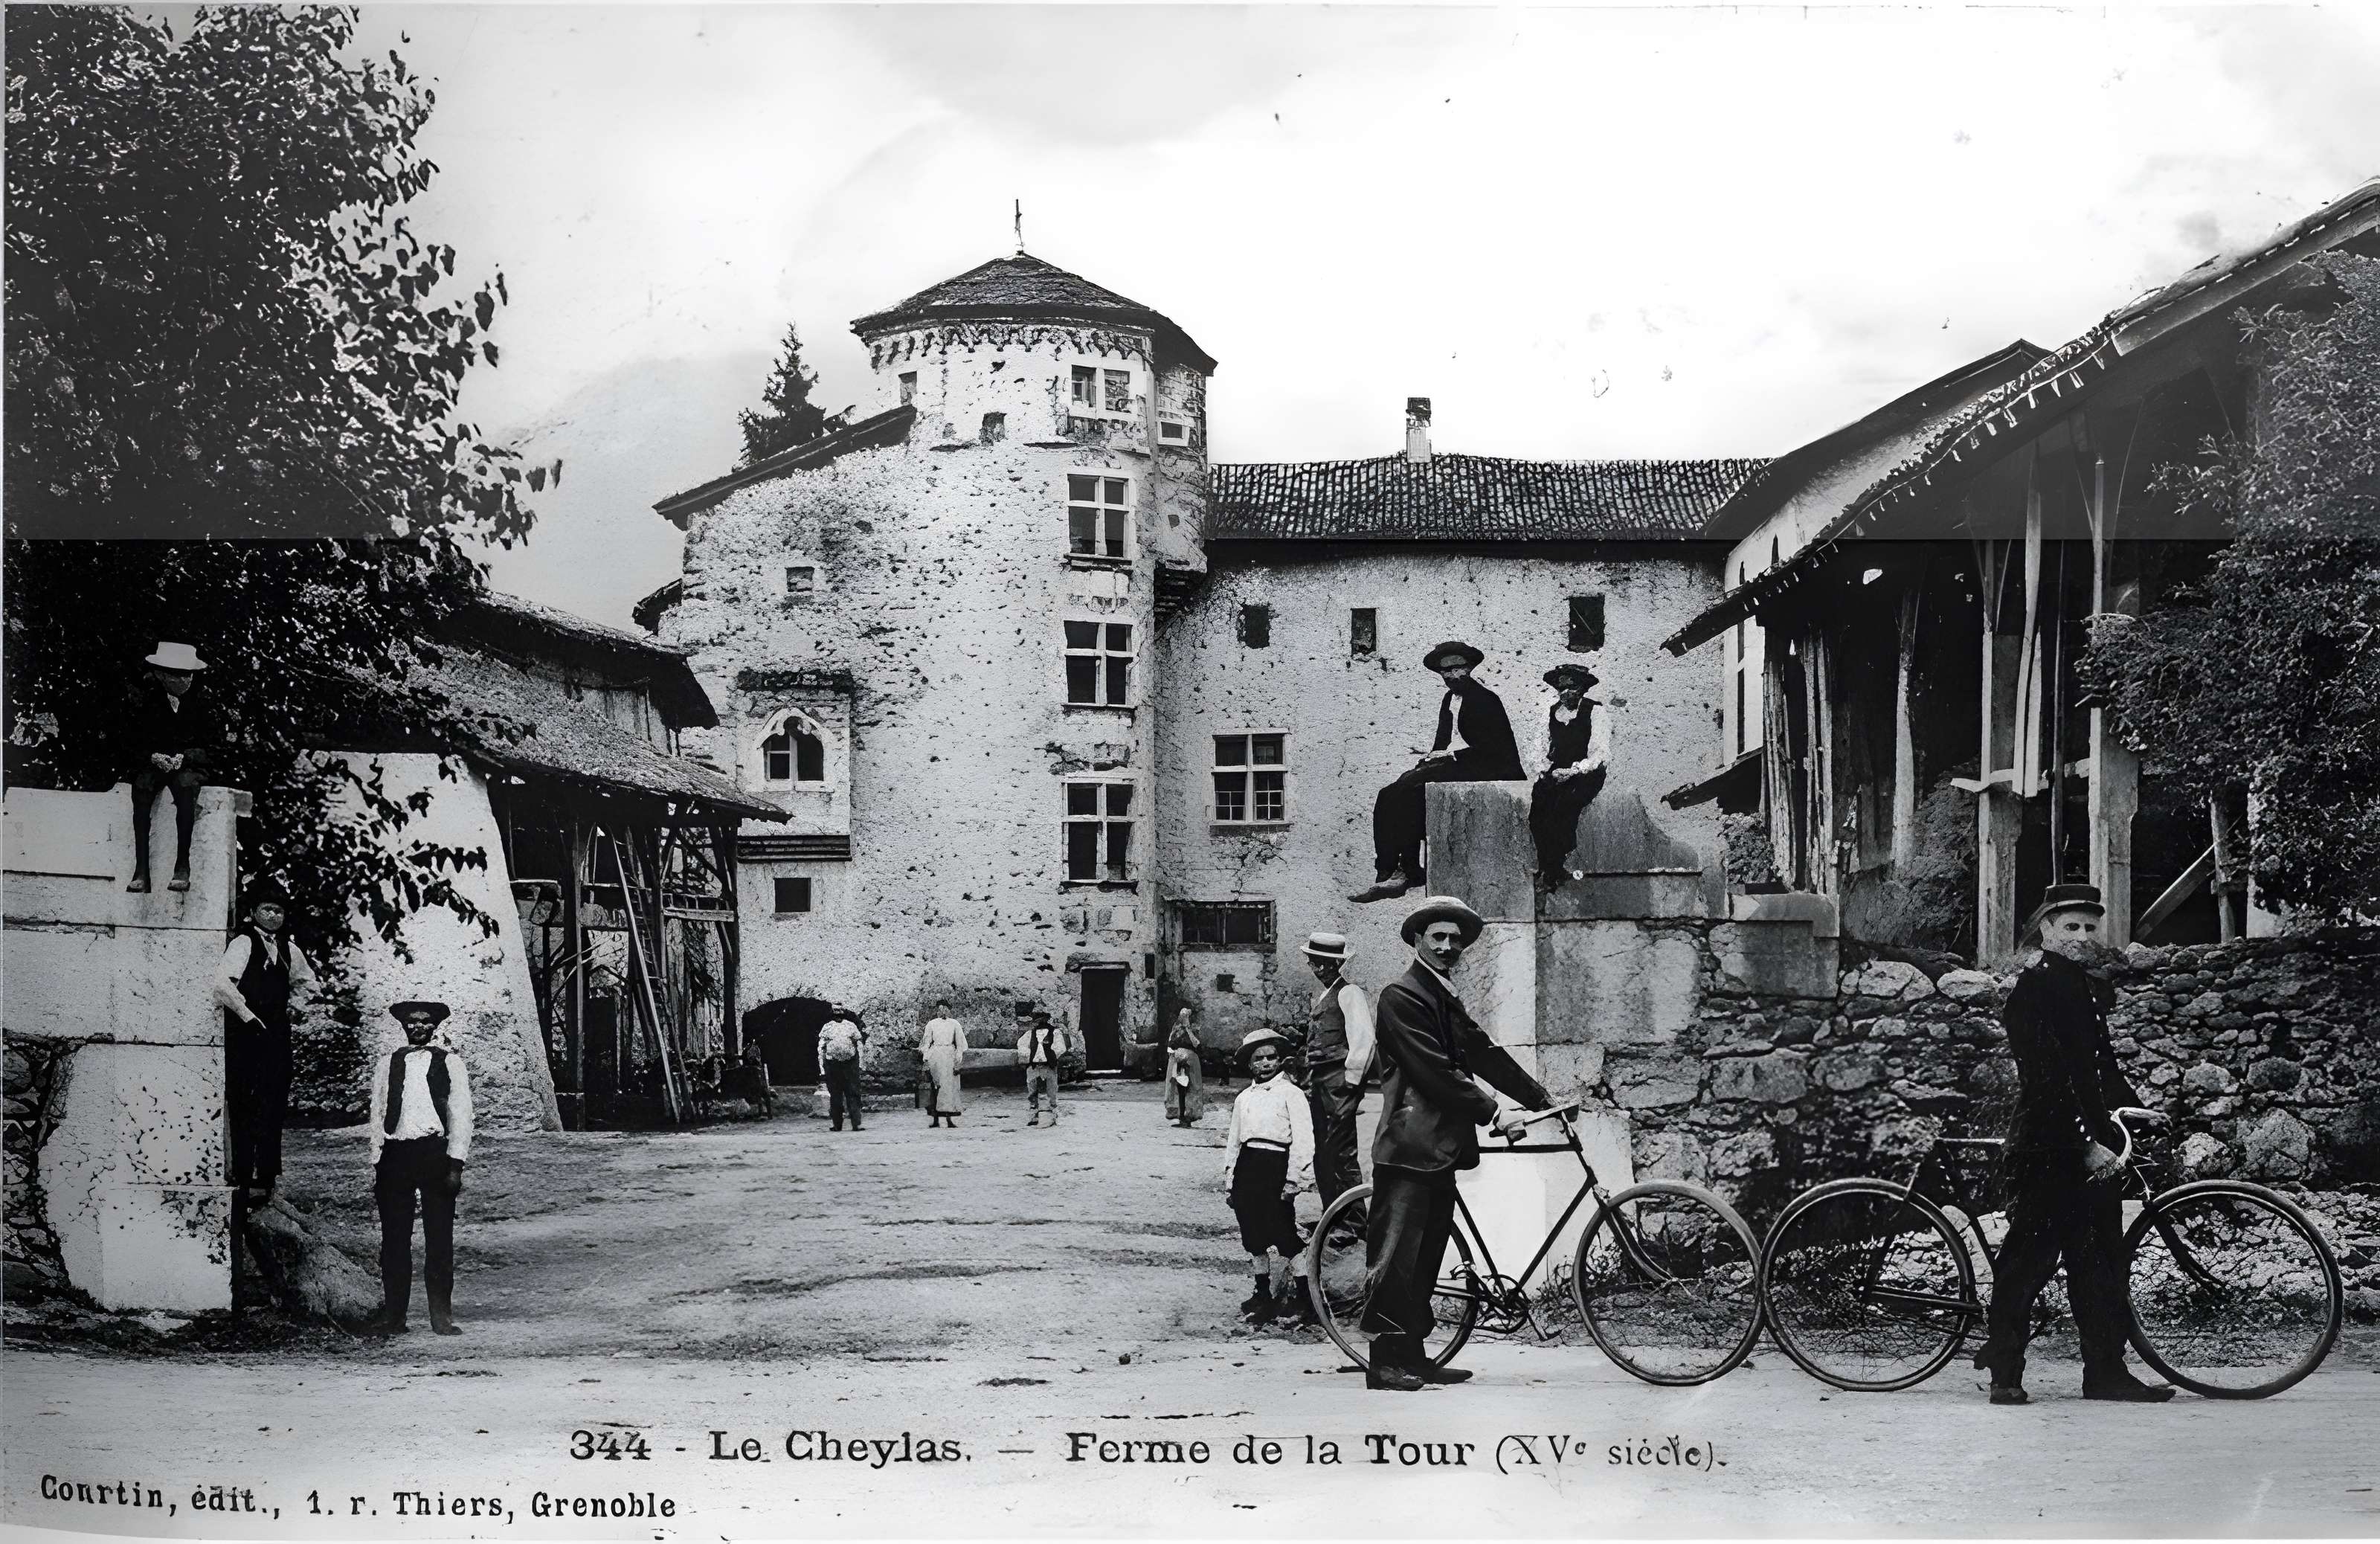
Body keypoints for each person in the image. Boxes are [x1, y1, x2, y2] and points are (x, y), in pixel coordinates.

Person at [1972, 882, 2174, 1406]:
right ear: (2046, 929)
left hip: (2091, 1146)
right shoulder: (2033, 991)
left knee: (2101, 1262)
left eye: (2090, 927)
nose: (2083, 935)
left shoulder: (2082, 987)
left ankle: (2105, 1374)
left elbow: (2098, 1071)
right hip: (2048, 1148)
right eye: (2071, 926)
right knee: (2028, 1262)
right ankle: (2005, 1372)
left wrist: (2135, 1111)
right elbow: (2047, 1081)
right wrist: (2084, 1143)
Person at [1361, 895, 1548, 1391]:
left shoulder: (1443, 996)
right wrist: (1495, 1112)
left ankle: (1415, 1357)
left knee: (1425, 1259)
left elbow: (1482, 1052)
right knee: (1397, 1259)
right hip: (1408, 1147)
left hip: (1439, 1148)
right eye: (1438, 937)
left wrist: (1541, 1099)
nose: (1448, 946)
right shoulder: (1400, 997)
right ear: (1417, 941)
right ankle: (1383, 1363)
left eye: (1455, 939)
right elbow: (1434, 1071)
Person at [1351, 641, 1524, 904]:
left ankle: (1408, 870)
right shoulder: (1449, 700)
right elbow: (1442, 742)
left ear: (1469, 668)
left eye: (1458, 669)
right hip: (1456, 764)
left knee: (1409, 789)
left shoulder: (1486, 700)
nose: (1453, 676)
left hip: (1490, 768)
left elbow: (1495, 750)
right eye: (1446, 671)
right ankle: (1389, 871)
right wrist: (1430, 759)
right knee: (1389, 793)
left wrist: (1451, 756)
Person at [365, 1000, 475, 1336]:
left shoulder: (450, 1063)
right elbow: (377, 1110)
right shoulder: (387, 1063)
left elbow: (461, 1113)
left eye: (425, 1022)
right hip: (395, 1156)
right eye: (412, 1022)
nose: (418, 1027)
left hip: (434, 1154)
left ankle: (441, 1317)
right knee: (394, 1240)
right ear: (403, 1026)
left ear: (434, 1027)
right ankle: (394, 1317)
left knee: (439, 1238)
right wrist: (377, 1158)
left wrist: (455, 1164)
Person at [214, 878, 315, 1198]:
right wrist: (247, 1015)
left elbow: (308, 984)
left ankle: (267, 1176)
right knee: (245, 1101)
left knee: (274, 1101)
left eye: (278, 911)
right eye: (267, 909)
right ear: (254, 912)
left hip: (276, 1035)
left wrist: (297, 1009)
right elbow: (222, 985)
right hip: (245, 1034)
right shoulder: (243, 943)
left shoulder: (289, 948)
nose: (273, 916)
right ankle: (244, 1176)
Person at [1221, 1028, 1320, 1329]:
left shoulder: (1291, 1094)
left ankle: (1306, 1299)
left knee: (1283, 1233)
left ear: (1280, 1060)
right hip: (1248, 1167)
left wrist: (1294, 1180)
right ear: (1249, 1064)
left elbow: (1304, 1140)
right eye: (1258, 1059)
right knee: (1252, 1234)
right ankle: (1262, 1294)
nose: (1265, 1064)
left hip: (1276, 1166)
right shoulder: (1244, 1098)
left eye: (1271, 1057)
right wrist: (1231, 1181)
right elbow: (1234, 1141)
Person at [123, 640, 218, 894]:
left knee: (186, 788)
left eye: (188, 675)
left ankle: (182, 866)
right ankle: (141, 870)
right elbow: (132, 741)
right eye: (178, 676)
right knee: (142, 788)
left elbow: (213, 746)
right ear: (161, 675)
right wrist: (153, 756)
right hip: (157, 765)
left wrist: (185, 757)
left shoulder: (202, 704)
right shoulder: (146, 702)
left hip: (188, 766)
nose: (185, 681)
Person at [1299, 932, 1375, 1232]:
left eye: (1316, 962)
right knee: (1322, 1151)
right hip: (1319, 1082)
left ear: (1329, 965)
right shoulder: (1325, 995)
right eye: (1313, 962)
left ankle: (1355, 1223)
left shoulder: (1349, 993)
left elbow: (1364, 1040)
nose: (1313, 967)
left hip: (1339, 1083)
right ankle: (1331, 1218)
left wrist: (1351, 1083)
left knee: (1342, 1152)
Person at [1527, 663, 1610, 893]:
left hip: (1586, 773)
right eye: (1561, 689)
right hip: (1558, 771)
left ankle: (1557, 866)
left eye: (1572, 688)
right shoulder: (1551, 713)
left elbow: (1599, 754)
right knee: (1539, 807)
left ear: (1582, 688)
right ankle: (1547, 865)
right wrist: (1544, 770)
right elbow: (1539, 748)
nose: (1565, 693)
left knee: (1564, 806)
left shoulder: (1595, 712)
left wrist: (1574, 771)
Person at [818, 1005, 867, 1131]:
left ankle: (856, 1124)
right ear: (832, 1013)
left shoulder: (851, 1026)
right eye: (835, 1012)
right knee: (835, 1096)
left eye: (840, 1011)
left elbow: (859, 1044)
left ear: (844, 1013)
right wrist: (822, 1068)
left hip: (850, 1066)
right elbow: (821, 1048)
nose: (838, 1014)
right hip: (833, 1065)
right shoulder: (827, 1027)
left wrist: (860, 1064)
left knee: (853, 1094)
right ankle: (837, 1125)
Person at [918, 1001, 966, 1128]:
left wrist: (958, 1060)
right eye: (940, 1010)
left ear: (949, 1010)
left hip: (949, 1056)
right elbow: (926, 1042)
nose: (943, 1012)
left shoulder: (955, 1024)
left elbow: (960, 1044)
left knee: (949, 1088)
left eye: (946, 1009)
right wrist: (926, 1059)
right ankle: (935, 1120)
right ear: (937, 1011)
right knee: (935, 1087)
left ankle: (949, 1119)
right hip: (936, 1056)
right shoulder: (931, 1024)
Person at [1019, 1009, 1067, 1128]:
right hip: (1034, 1066)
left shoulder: (1055, 1033)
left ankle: (1053, 1116)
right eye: (1036, 1020)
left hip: (1048, 1065)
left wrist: (1051, 1056)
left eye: (1041, 1020)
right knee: (1032, 1090)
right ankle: (1034, 1115)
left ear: (1046, 1020)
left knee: (1051, 1090)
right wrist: (1029, 1055)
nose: (1038, 1023)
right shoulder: (1030, 1034)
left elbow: (1060, 1047)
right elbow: (1021, 1045)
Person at [1162, 1008, 1207, 1128]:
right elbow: (1170, 1043)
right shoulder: (1176, 1028)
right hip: (1176, 1060)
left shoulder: (1195, 1028)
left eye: (1186, 1016)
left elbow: (1196, 1043)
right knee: (1177, 1088)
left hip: (1190, 1061)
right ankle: (1180, 1116)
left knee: (1191, 1088)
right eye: (1182, 1016)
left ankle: (1188, 1117)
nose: (1183, 1018)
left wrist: (1188, 1029)